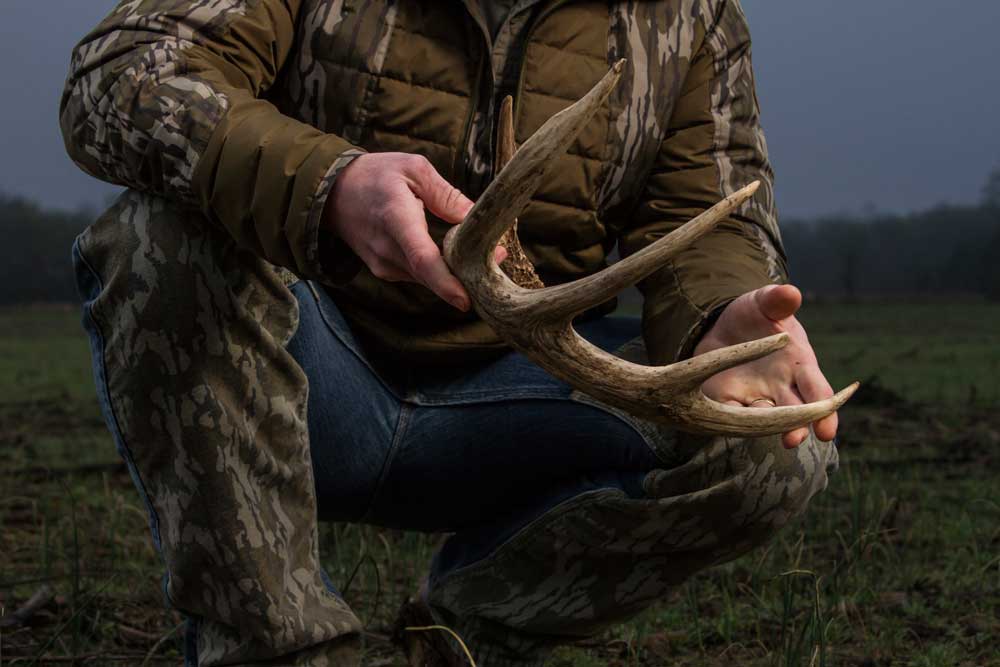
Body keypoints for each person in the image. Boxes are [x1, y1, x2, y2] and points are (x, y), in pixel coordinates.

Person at [61, 1, 840, 665]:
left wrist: (721, 317)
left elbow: (711, 216)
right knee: (153, 237)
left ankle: (464, 632)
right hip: (302, 371)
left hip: (523, 402)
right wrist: (329, 185)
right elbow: (119, 75)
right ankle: (280, 646)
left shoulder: (688, 15)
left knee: (771, 436)